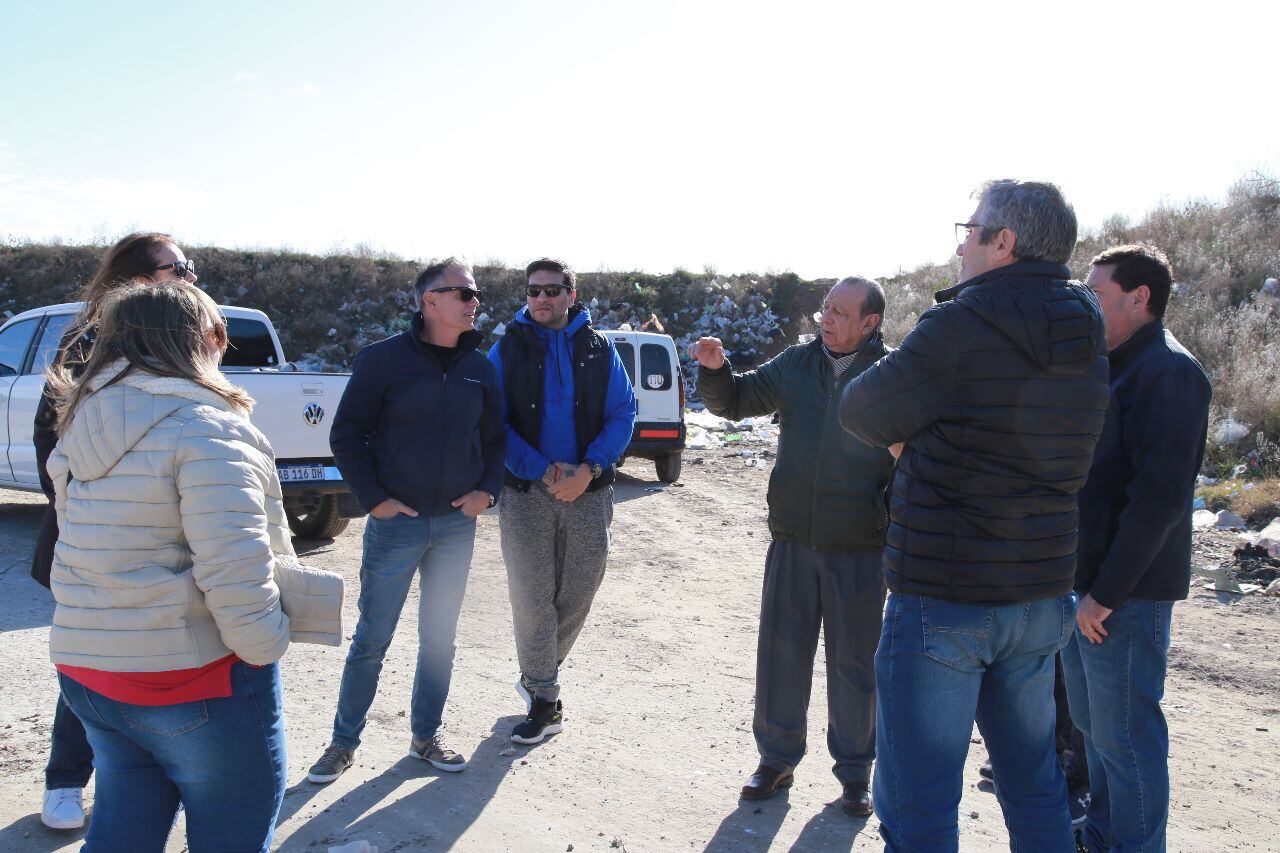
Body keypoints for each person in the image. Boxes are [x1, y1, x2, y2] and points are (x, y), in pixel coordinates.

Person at [839, 179, 1110, 852]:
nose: (961, 244)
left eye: (970, 229)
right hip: (1040, 593)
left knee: (919, 800)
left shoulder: (959, 324)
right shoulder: (1088, 327)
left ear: (1003, 243)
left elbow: (860, 410)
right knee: (1034, 784)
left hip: (946, 598)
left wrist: (918, 444)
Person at [47, 281, 342, 852]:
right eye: (221, 335)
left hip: (89, 669)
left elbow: (73, 539)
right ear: (205, 339)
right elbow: (235, 567)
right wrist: (266, 646)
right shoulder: (211, 428)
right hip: (190, 678)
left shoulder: (82, 421)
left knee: (122, 826)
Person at [690, 276, 894, 816]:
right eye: (825, 308)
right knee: (781, 656)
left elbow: (914, 456)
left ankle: (855, 773)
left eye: (840, 312)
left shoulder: (892, 375)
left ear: (870, 323)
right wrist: (714, 372)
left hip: (861, 547)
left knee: (855, 666)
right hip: (792, 540)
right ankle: (776, 760)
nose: (825, 318)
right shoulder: (797, 364)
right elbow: (735, 401)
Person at [308, 257, 506, 784]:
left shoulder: (480, 367)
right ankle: (342, 743)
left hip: (456, 527)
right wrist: (374, 500)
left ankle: (425, 737)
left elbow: (496, 441)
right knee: (372, 639)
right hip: (397, 524)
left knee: (440, 640)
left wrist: (487, 490)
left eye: (475, 293)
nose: (473, 302)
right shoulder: (382, 362)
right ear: (430, 300)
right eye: (463, 294)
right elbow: (347, 435)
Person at [31, 231, 198, 830]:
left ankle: (145, 785)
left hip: (164, 538)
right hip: (91, 541)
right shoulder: (87, 341)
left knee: (155, 659)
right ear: (133, 276)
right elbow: (50, 439)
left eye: (188, 266)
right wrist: (92, 515)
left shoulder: (183, 336)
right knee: (89, 661)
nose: (187, 276)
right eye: (175, 267)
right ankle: (65, 783)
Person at [1062, 244, 1211, 852]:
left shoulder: (1170, 372)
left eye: (1097, 294)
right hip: (1086, 584)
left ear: (1139, 297)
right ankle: (1103, 835)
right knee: (1093, 729)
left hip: (1123, 593)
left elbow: (1159, 499)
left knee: (1126, 736)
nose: (1087, 304)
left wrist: (1105, 594)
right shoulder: (1113, 363)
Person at [488, 257, 636, 744]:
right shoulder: (506, 349)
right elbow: (492, 421)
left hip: (589, 492)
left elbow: (622, 412)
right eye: (534, 290)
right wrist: (544, 469)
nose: (543, 299)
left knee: (578, 592)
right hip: (526, 493)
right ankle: (545, 699)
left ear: (572, 295)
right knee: (533, 601)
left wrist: (588, 468)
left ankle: (536, 674)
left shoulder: (599, 349)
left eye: (553, 290)